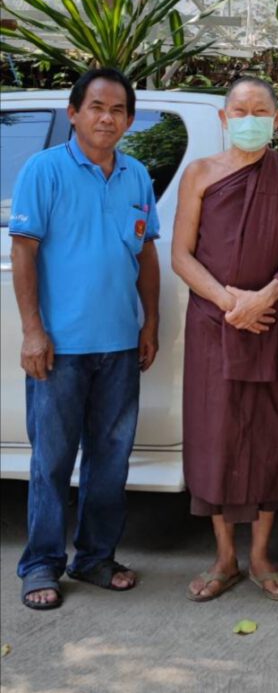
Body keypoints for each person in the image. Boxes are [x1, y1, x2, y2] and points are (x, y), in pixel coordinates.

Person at [172, 76, 278, 603]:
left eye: (261, 110)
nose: (250, 118)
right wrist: (228, 301)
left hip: (270, 324)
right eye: (240, 110)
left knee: (265, 439)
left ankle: (260, 555)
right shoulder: (199, 174)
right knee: (214, 438)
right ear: (224, 118)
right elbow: (181, 256)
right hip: (214, 326)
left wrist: (265, 297)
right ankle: (224, 558)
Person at [10, 68, 160, 610]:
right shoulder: (43, 170)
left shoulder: (136, 175)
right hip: (60, 348)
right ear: (74, 113)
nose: (107, 118)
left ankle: (96, 558)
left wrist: (150, 324)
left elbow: (146, 255)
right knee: (51, 460)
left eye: (118, 110)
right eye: (96, 106)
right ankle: (41, 566)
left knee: (111, 458)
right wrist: (33, 331)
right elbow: (23, 251)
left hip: (119, 346)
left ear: (128, 119)